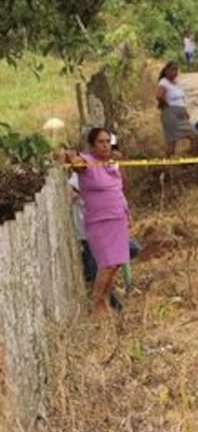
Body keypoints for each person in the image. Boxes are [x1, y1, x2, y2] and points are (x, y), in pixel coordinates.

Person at [67, 128, 131, 315]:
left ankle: (105, 298)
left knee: (117, 261)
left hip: (118, 218)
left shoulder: (110, 164)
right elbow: (78, 165)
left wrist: (127, 213)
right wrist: (72, 157)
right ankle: (96, 301)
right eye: (101, 142)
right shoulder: (88, 162)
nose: (105, 145)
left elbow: (118, 190)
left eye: (107, 141)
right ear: (92, 145)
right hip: (100, 221)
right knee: (107, 263)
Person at [155, 61, 197, 156]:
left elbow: (181, 99)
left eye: (176, 70)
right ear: (166, 71)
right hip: (171, 114)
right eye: (173, 69)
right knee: (172, 141)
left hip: (180, 114)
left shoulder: (176, 83)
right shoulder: (164, 82)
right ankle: (168, 165)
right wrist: (167, 105)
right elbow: (159, 96)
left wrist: (184, 111)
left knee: (194, 134)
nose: (175, 72)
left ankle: (191, 160)